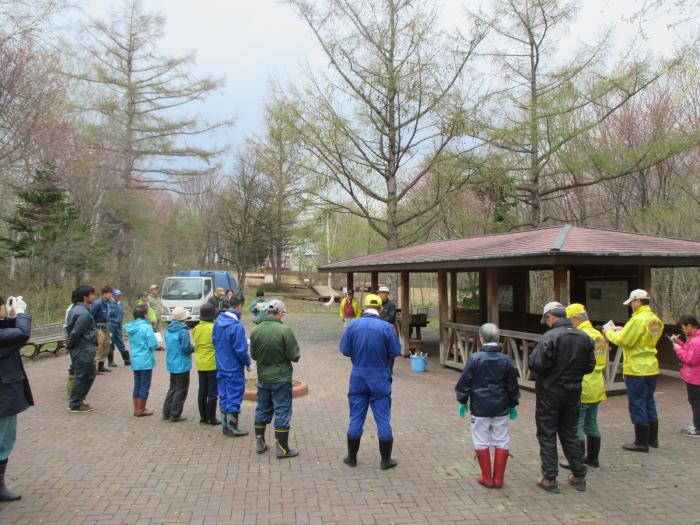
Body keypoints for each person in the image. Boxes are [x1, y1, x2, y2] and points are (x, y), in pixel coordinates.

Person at [529, 301, 595, 493]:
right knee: (570, 432)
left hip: (549, 392)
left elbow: (536, 364)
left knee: (547, 433)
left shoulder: (549, 337)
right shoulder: (585, 337)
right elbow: (590, 366)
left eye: (547, 320)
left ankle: (549, 477)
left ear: (551, 317)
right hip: (573, 391)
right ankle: (579, 475)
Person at [339, 294, 401, 469]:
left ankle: (351, 458)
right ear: (381, 309)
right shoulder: (387, 327)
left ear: (364, 308)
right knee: (383, 418)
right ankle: (385, 460)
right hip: (380, 377)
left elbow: (344, 350)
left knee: (356, 417)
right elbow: (395, 351)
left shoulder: (352, 325)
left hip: (358, 376)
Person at [455, 323, 519, 489]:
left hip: (480, 407)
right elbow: (512, 385)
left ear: (481, 338)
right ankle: (498, 479)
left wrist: (462, 401)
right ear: (498, 339)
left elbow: (465, 382)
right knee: (501, 440)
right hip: (501, 407)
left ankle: (486, 477)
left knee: (481, 440)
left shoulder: (475, 358)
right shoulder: (506, 360)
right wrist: (513, 404)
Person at [603, 289, 663, 452]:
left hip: (636, 368)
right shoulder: (655, 319)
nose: (630, 306)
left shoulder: (637, 320)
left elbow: (624, 341)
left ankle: (640, 442)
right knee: (649, 401)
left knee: (637, 403)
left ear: (637, 302)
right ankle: (652, 439)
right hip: (651, 365)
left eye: (631, 303)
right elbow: (641, 338)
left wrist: (609, 333)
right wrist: (624, 329)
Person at [251, 299, 301, 458]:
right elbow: (294, 355)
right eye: (283, 312)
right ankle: (282, 448)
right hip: (281, 377)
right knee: (282, 411)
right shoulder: (285, 330)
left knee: (262, 408)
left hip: (263, 377)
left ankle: (260, 441)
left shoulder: (256, 330)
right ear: (280, 312)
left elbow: (253, 355)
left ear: (266, 312)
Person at [559, 304, 608, 469]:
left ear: (576, 319)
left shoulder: (580, 336)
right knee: (592, 422)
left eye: (569, 319)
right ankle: (593, 459)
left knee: (576, 425)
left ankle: (576, 460)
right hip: (597, 384)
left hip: (582, 384)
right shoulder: (599, 335)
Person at [0, 295, 32, 501]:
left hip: (5, 393)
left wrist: (11, 315)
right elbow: (21, 334)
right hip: (4, 395)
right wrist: (20, 313)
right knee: (4, 440)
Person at [213, 293, 252, 437]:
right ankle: (232, 427)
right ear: (240, 306)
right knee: (234, 396)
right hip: (233, 368)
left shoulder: (217, 323)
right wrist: (247, 363)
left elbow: (214, 342)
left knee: (223, 395)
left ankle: (225, 426)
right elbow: (241, 350)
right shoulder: (236, 327)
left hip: (221, 365)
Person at [66, 285, 98, 413]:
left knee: (89, 374)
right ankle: (75, 403)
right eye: (92, 294)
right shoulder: (83, 312)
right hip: (83, 347)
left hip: (82, 347)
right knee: (82, 375)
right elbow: (76, 331)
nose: (94, 296)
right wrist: (70, 344)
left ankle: (78, 400)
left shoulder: (76, 309)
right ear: (85, 297)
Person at [125, 304, 158, 417]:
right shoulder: (146, 327)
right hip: (145, 359)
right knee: (145, 384)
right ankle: (141, 409)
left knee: (137, 384)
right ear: (144, 315)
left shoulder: (131, 327)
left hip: (135, 358)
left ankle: (136, 408)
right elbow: (153, 344)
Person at [162, 307, 194, 422]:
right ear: (183, 318)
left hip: (172, 363)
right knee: (181, 389)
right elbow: (186, 348)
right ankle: (175, 414)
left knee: (173, 388)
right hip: (182, 364)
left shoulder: (168, 330)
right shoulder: (183, 331)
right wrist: (194, 347)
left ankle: (166, 412)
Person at [671, 314, 700, 437]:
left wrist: (677, 349)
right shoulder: (694, 338)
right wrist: (678, 342)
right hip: (695, 376)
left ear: (689, 326)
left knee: (696, 401)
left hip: (695, 377)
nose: (682, 330)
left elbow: (690, 360)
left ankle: (697, 428)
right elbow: (689, 351)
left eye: (683, 328)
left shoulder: (695, 341)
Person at [193, 303, 220, 425]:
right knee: (213, 392)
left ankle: (203, 417)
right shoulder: (214, 328)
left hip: (200, 363)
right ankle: (211, 417)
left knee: (202, 390)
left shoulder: (196, 328)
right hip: (212, 363)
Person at [90, 285, 113, 374]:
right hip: (99, 328)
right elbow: (91, 316)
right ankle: (93, 368)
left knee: (106, 347)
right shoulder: (98, 303)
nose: (111, 296)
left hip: (106, 328)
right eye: (110, 294)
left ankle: (101, 365)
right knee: (98, 348)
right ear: (104, 294)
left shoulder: (108, 303)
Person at [108, 289, 130, 367]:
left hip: (118, 326)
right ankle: (110, 361)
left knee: (120, 341)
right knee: (111, 343)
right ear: (113, 295)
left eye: (120, 295)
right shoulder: (109, 303)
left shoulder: (120, 304)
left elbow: (121, 314)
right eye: (117, 295)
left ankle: (127, 360)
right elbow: (108, 315)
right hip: (111, 325)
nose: (119, 297)